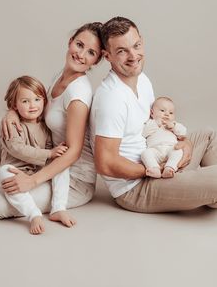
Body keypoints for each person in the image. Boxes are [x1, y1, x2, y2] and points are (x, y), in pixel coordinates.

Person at [90, 16, 217, 213]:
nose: (133, 56)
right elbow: (105, 163)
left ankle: (205, 190)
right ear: (107, 56)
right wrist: (153, 169)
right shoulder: (111, 98)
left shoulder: (142, 79)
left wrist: (185, 143)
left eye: (136, 45)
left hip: (162, 155)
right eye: (122, 51)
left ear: (142, 40)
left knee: (208, 135)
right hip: (137, 187)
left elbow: (159, 123)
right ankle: (206, 188)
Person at [0, 22, 103, 222]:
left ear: (95, 61)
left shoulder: (78, 93)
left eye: (91, 52)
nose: (81, 54)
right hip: (46, 163)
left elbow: (73, 151)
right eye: (79, 45)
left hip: (71, 179)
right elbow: (36, 112)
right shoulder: (60, 77)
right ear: (70, 42)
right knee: (5, 120)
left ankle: (51, 208)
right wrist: (12, 113)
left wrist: (32, 181)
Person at [0, 75, 69, 234]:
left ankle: (58, 208)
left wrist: (55, 152)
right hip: (15, 171)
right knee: (4, 172)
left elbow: (49, 147)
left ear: (44, 101)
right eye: (25, 101)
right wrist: (49, 153)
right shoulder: (12, 125)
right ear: (14, 105)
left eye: (37, 99)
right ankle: (33, 214)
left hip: (35, 173)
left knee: (62, 165)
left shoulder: (45, 126)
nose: (32, 105)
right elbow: (17, 148)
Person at [141, 96, 187, 179]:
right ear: (152, 113)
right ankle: (154, 168)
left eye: (171, 113)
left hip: (170, 148)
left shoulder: (174, 124)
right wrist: (156, 124)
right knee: (145, 154)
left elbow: (183, 133)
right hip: (155, 150)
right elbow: (144, 133)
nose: (166, 114)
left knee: (178, 151)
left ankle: (169, 168)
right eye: (162, 111)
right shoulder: (150, 123)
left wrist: (173, 126)